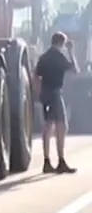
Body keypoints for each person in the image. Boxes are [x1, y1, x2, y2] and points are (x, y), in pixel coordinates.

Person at [35, 31, 77, 173]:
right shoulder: (59, 57)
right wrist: (71, 52)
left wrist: (38, 93)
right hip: (55, 92)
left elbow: (36, 75)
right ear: (62, 43)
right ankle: (61, 160)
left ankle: (47, 161)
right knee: (61, 126)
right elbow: (75, 69)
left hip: (46, 92)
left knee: (48, 126)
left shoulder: (44, 57)